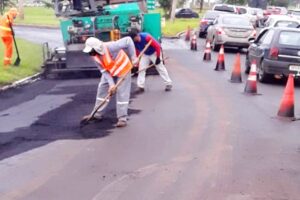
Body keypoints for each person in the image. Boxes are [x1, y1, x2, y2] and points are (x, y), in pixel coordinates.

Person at [82, 36, 137, 127]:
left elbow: (128, 40)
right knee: (102, 89)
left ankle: (122, 118)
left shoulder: (111, 46)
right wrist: (111, 85)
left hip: (123, 68)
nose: (90, 53)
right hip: (110, 71)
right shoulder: (94, 56)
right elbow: (104, 71)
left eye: (91, 51)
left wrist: (134, 58)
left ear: (97, 48)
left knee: (122, 93)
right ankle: (96, 114)